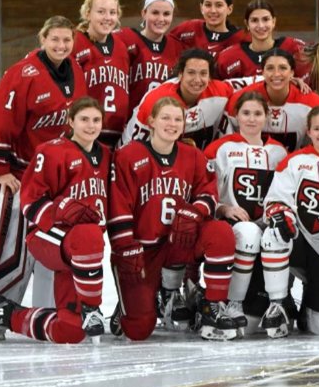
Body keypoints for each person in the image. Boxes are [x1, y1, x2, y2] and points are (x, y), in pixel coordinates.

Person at [0, 16, 86, 305]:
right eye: (55, 39)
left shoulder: (75, 69)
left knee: (38, 242)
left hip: (43, 174)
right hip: (11, 171)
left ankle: (38, 304)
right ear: (43, 39)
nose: (61, 45)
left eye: (67, 39)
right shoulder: (23, 73)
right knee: (1, 244)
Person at [0, 98, 110, 344]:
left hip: (82, 254)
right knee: (87, 234)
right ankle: (92, 310)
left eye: (96, 120)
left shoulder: (107, 156)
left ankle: (7, 314)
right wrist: (60, 213)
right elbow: (30, 200)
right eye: (84, 119)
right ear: (70, 122)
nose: (90, 126)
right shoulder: (51, 150)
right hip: (46, 235)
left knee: (70, 332)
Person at [108, 96, 236, 341]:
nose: (172, 123)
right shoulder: (128, 155)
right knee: (138, 329)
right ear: (151, 121)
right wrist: (126, 249)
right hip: (143, 251)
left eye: (178, 119)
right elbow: (117, 207)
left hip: (179, 240)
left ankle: (213, 306)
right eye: (165, 117)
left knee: (220, 232)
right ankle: (138, 300)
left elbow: (208, 194)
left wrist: (194, 211)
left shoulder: (193, 156)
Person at [256, 106, 319, 337]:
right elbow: (274, 202)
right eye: (317, 128)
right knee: (273, 233)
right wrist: (284, 217)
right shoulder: (295, 161)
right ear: (308, 131)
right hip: (299, 241)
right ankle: (277, 303)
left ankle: (313, 299)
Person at [203, 91, 289, 333]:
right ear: (236, 116)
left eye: (258, 113)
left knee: (251, 327)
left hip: (266, 228)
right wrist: (223, 208)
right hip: (232, 227)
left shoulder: (279, 152)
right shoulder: (220, 148)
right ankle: (233, 303)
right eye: (246, 113)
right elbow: (204, 188)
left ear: (266, 117)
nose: (252, 119)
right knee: (249, 232)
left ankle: (278, 303)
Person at [121, 49, 232, 150]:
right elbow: (133, 148)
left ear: (210, 77)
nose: (197, 80)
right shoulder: (156, 101)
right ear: (180, 74)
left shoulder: (220, 90)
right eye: (191, 73)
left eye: (203, 73)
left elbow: (247, 84)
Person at [224, 50, 319, 152]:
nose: (276, 74)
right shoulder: (241, 100)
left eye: (283, 68)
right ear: (262, 72)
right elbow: (228, 144)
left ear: (292, 73)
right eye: (270, 68)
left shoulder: (312, 103)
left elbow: (317, 146)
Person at [73, 0, 132, 145]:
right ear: (87, 14)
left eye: (112, 12)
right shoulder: (74, 42)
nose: (107, 17)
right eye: (101, 12)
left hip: (117, 132)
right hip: (85, 131)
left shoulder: (121, 46)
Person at [216, 0, 307, 81]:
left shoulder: (293, 48)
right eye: (254, 20)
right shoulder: (229, 56)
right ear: (247, 24)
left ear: (273, 22)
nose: (261, 25)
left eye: (266, 19)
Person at [120, 0, 182, 111]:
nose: (161, 19)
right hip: (130, 121)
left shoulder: (177, 46)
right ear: (144, 13)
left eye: (166, 14)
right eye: (155, 13)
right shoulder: (125, 38)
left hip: (164, 120)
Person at [169, 0, 244, 58]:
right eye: (208, 5)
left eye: (219, 5)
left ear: (229, 9)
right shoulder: (188, 28)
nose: (213, 10)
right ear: (201, 8)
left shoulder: (242, 38)